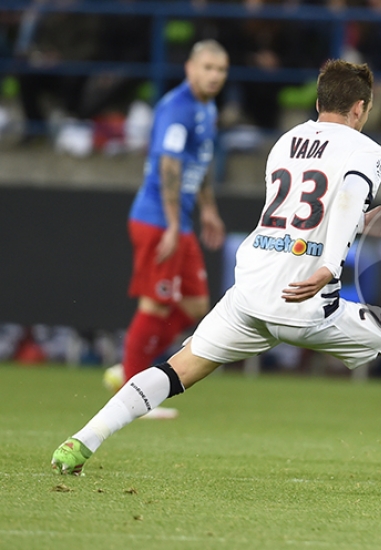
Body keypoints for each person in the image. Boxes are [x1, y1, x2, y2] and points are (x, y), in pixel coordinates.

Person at [51, 59, 381, 476]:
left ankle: (81, 441)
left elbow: (304, 212)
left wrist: (364, 222)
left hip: (249, 296)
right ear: (360, 109)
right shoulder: (368, 151)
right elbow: (346, 197)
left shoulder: (286, 141)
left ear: (317, 103)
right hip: (308, 305)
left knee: (177, 370)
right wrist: (330, 266)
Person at [103, 40, 229, 420]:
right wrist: (174, 225)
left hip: (180, 221)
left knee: (196, 306)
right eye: (207, 67)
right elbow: (169, 166)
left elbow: (200, 163)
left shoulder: (207, 109)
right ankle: (131, 387)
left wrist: (207, 209)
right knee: (155, 302)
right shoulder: (177, 109)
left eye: (221, 70)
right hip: (159, 220)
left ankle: (124, 370)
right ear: (190, 68)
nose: (214, 76)